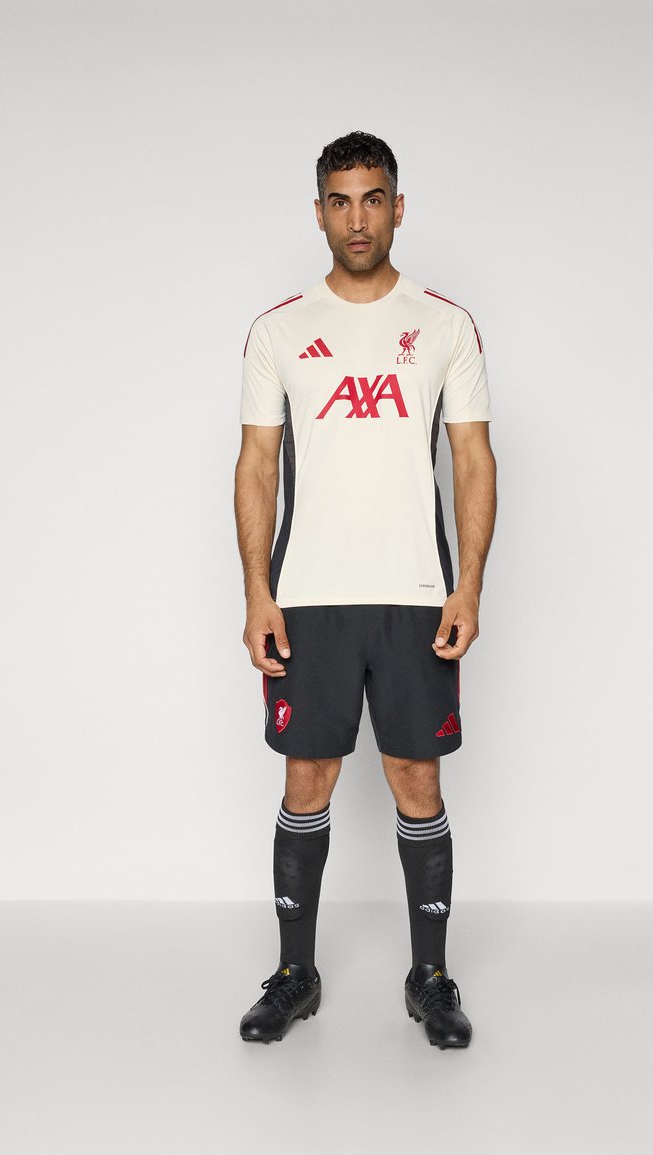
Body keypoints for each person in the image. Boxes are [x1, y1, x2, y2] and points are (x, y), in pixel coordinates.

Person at [234, 130, 497, 1049]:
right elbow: (256, 464)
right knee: (307, 775)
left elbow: (473, 458)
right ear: (318, 212)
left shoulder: (446, 324)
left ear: (398, 207)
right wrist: (257, 591)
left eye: (373, 198)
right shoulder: (278, 330)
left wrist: (469, 586)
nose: (357, 218)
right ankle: (294, 974)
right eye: (340, 201)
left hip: (416, 591)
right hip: (309, 593)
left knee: (415, 777)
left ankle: (430, 978)